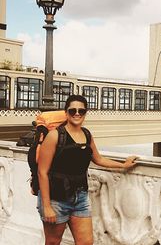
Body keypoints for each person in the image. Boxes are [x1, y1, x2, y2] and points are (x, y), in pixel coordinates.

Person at [37, 95, 137, 245]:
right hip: (56, 199)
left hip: (80, 198)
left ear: (85, 113)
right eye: (72, 111)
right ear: (66, 113)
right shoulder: (55, 136)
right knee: (52, 242)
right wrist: (46, 206)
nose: (77, 113)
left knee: (86, 242)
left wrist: (123, 165)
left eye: (81, 111)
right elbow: (42, 172)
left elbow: (99, 159)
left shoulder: (87, 135)